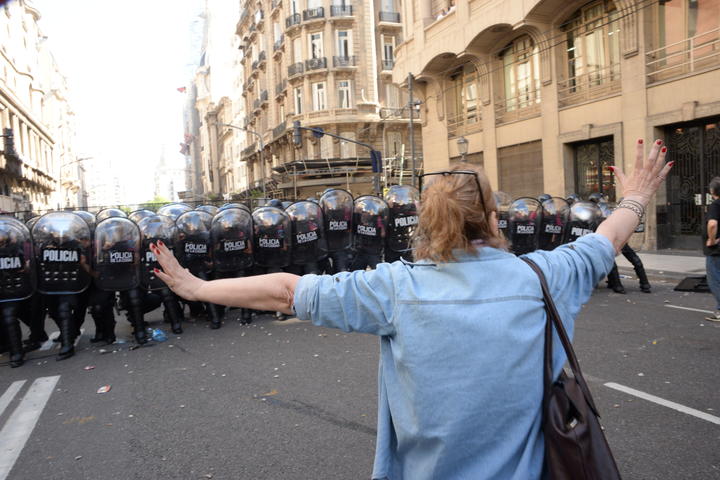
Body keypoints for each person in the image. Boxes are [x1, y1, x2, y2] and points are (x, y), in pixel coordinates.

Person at [151, 139, 672, 480]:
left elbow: (288, 291)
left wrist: (197, 288)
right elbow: (608, 238)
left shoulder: (395, 289)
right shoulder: (545, 276)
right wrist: (636, 194)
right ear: (494, 217)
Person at [704, 177, 720, 322]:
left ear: (712, 191)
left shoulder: (715, 205)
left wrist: (712, 240)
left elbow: (712, 225)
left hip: (716, 250)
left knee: (715, 279)